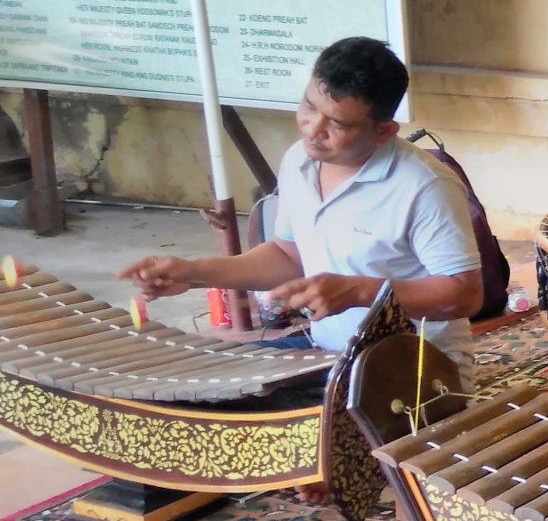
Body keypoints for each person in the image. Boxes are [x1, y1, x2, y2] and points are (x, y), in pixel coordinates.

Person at [119, 37, 485, 392]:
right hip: (331, 357)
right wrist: (193, 272)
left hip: (418, 372)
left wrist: (359, 291)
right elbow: (288, 255)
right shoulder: (299, 160)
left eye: (338, 124)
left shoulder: (426, 186)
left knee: (262, 419)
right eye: (309, 106)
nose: (313, 129)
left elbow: (466, 295)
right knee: (198, 383)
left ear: (384, 131)